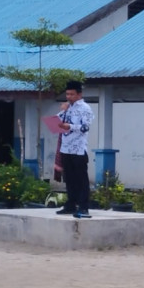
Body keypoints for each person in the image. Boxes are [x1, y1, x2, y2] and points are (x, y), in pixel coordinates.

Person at [55, 81, 95, 218]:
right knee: (69, 178)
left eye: (72, 94)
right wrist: (63, 111)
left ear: (79, 94)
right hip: (65, 148)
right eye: (67, 94)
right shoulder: (67, 108)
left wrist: (70, 127)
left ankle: (84, 207)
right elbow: (57, 123)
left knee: (81, 179)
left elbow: (85, 127)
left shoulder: (85, 108)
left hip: (78, 149)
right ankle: (71, 204)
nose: (69, 97)